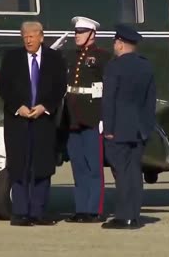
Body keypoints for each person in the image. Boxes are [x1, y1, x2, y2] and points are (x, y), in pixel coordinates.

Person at [0, 21, 67, 226]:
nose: (28, 39)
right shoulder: (12, 58)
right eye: (24, 36)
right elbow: (3, 87)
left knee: (42, 166)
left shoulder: (54, 59)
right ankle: (20, 212)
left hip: (43, 120)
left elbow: (60, 86)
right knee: (19, 166)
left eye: (32, 35)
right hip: (18, 120)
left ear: (41, 37)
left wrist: (44, 106)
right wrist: (19, 106)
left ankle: (38, 212)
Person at [101, 24, 156, 230]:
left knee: (122, 173)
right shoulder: (146, 65)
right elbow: (150, 100)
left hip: (118, 127)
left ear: (121, 44)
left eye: (116, 42)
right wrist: (147, 127)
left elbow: (109, 100)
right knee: (134, 172)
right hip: (140, 127)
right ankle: (134, 214)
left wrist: (108, 128)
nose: (114, 46)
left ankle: (124, 217)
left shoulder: (115, 66)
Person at [64, 16, 111, 223]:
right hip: (73, 117)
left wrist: (104, 117)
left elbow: (108, 90)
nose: (77, 35)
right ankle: (81, 209)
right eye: (76, 32)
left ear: (92, 35)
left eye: (81, 32)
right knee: (78, 166)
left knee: (94, 167)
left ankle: (94, 210)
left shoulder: (102, 57)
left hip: (93, 116)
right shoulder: (71, 57)